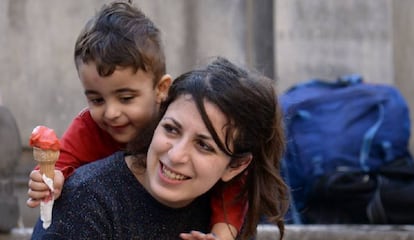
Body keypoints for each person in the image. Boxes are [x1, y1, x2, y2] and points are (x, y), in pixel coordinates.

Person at [26, 1, 245, 239]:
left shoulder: (183, 119)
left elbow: (234, 184)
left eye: (126, 98)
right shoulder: (88, 133)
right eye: (97, 100)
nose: (111, 113)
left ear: (162, 89)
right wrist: (51, 178)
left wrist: (222, 233)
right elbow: (61, 161)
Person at [30, 56, 289, 240]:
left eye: (203, 145)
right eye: (171, 129)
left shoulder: (228, 220)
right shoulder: (87, 202)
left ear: (236, 166)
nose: (175, 155)